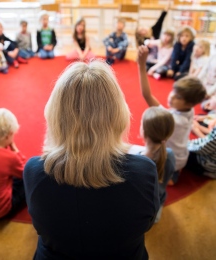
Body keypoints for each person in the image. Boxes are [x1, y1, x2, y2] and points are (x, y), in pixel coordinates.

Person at [24, 60, 159, 259]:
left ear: (55, 114)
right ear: (117, 113)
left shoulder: (34, 171)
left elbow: (39, 226)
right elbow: (148, 222)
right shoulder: (144, 171)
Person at [137, 45, 206, 184]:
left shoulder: (172, 119)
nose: (171, 97)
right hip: (182, 156)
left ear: (189, 103)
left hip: (173, 161)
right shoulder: (189, 111)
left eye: (178, 97)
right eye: (174, 91)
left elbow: (147, 95)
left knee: (143, 161)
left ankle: (169, 175)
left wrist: (141, 65)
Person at [129, 107, 175, 223]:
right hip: (158, 200)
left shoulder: (137, 163)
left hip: (144, 208)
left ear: (143, 132)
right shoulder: (170, 155)